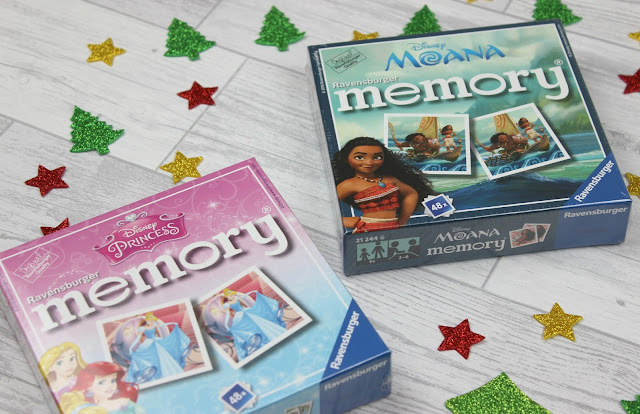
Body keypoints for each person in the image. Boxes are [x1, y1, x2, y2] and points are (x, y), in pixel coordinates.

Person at [333, 137, 438, 233]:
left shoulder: (389, 179)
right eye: (359, 157)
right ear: (346, 159)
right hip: (368, 229)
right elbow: (326, 205)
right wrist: (344, 221)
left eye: (377, 157)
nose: (369, 162)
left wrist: (402, 221)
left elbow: (411, 194)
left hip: (393, 227)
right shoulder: (349, 184)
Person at [123, 313, 191, 384]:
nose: (152, 322)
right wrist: (131, 347)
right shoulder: (142, 328)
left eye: (152, 320)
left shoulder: (154, 325)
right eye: (150, 320)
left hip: (157, 341)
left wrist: (173, 323)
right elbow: (138, 338)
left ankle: (168, 372)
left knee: (164, 356)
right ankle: (154, 374)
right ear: (147, 320)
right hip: (149, 343)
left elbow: (162, 325)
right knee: (153, 358)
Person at [221, 288, 286, 361]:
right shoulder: (227, 304)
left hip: (246, 311)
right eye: (230, 295)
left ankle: (267, 335)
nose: (232, 296)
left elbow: (244, 296)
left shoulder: (236, 298)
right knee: (248, 328)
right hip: (239, 316)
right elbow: (227, 314)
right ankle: (255, 344)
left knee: (259, 321)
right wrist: (226, 324)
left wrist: (252, 292)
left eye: (232, 294)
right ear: (227, 297)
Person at [58, 361, 144, 414]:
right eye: (101, 382)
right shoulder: (83, 408)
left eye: (112, 380)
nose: (110, 385)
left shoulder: (125, 403)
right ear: (89, 386)